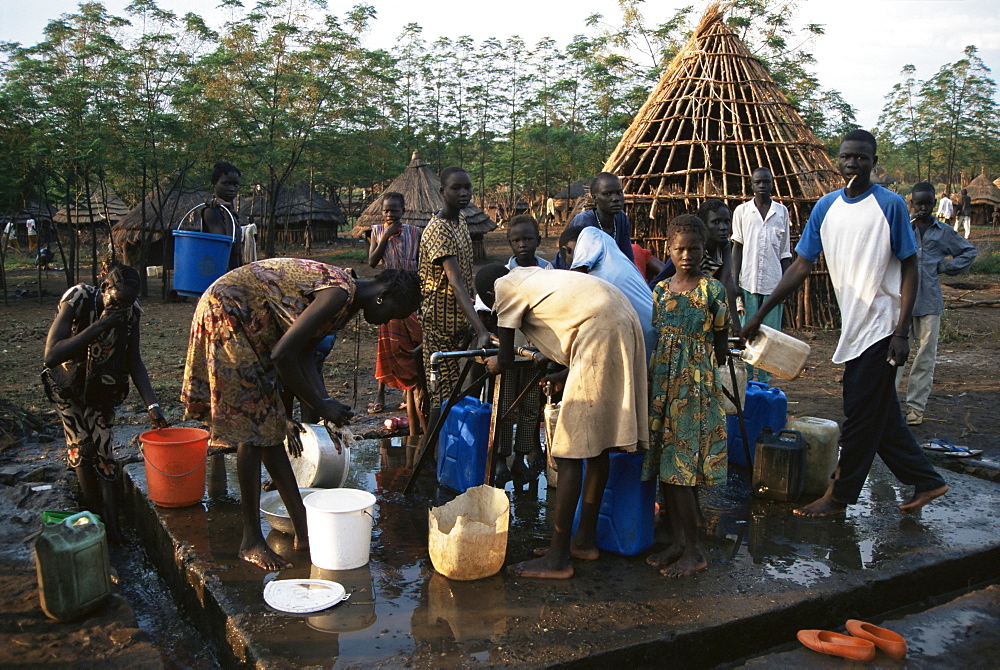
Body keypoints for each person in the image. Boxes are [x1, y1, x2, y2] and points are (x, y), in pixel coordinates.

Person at [741, 129, 949, 517]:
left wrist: (902, 331)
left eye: (861, 157)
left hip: (883, 327)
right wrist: (758, 313)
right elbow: (801, 265)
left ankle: (839, 496)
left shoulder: (889, 206)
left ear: (873, 162)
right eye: (846, 157)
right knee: (879, 415)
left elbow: (909, 266)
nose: (852, 163)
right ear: (838, 160)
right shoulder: (825, 208)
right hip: (854, 328)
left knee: (857, 413)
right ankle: (927, 480)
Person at [181, 258, 421, 570]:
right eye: (394, 315)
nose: (389, 321)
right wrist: (321, 406)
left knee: (268, 428)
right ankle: (251, 540)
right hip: (230, 312)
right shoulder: (338, 293)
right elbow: (283, 355)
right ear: (384, 297)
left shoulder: (345, 303)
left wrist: (324, 403)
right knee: (253, 432)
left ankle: (304, 531)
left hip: (247, 323)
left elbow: (305, 352)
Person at [479, 264, 648, 579]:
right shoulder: (533, 276)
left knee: (569, 453)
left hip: (600, 328)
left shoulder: (503, 286)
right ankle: (582, 541)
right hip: (619, 316)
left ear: (490, 294)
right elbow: (563, 324)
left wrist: (493, 363)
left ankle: (557, 560)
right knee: (596, 449)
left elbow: (503, 359)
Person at [42, 259, 168, 540]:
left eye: (129, 302)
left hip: (103, 388)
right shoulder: (78, 298)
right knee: (82, 448)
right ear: (104, 288)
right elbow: (51, 355)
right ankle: (93, 518)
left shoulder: (130, 312)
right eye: (118, 299)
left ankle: (114, 527)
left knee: (104, 451)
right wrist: (100, 326)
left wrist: (153, 405)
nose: (122, 307)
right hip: (69, 386)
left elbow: (134, 360)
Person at [644, 215, 729, 578]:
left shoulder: (712, 291)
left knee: (683, 471)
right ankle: (678, 543)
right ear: (668, 249)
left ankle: (695, 551)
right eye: (679, 248)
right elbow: (657, 337)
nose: (686, 255)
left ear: (703, 250)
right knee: (667, 468)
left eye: (694, 249)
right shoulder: (660, 292)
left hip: (694, 391)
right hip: (663, 387)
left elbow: (722, 346)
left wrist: (698, 375)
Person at [417, 167, 492, 430]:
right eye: (456, 188)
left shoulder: (460, 222)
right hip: (439, 323)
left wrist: (472, 322)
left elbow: (467, 276)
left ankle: (453, 450)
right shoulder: (439, 230)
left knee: (459, 391)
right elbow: (456, 282)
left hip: (459, 320)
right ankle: (429, 458)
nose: (463, 193)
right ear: (442, 192)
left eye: (467, 187)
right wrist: (480, 329)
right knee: (442, 397)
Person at [896, 183, 977, 425]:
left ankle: (915, 409)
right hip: (900, 304)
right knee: (894, 356)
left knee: (925, 357)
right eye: (918, 203)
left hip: (929, 302)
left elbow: (968, 252)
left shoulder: (942, 232)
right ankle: (886, 406)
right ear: (911, 203)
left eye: (927, 203)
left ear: (934, 204)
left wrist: (943, 267)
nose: (922, 208)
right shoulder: (902, 230)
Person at [367, 192, 424, 438]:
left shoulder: (415, 232)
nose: (391, 214)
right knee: (386, 345)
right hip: (388, 292)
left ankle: (408, 392)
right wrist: (385, 238)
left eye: (395, 210)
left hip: (409, 291)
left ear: (403, 209)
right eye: (387, 211)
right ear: (382, 212)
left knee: (411, 341)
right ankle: (380, 393)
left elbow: (422, 261)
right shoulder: (377, 231)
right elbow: (371, 262)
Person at [731, 167, 792, 382]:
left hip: (773, 284)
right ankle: (746, 381)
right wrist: (735, 279)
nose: (762, 186)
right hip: (747, 282)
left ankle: (764, 382)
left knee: (770, 337)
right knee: (748, 334)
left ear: (772, 183)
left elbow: (785, 252)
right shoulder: (742, 211)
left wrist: (786, 284)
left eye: (766, 182)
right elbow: (737, 247)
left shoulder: (781, 212)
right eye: (758, 182)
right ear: (752, 185)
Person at [560, 225, 655, 359]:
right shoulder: (605, 263)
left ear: (567, 251)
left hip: (646, 331)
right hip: (642, 337)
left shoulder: (591, 234)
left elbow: (573, 284)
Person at [557, 172, 634, 267]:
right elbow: (575, 264)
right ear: (594, 198)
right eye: (607, 194)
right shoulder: (584, 222)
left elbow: (627, 258)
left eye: (619, 193)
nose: (615, 198)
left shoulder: (621, 218)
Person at [200, 161, 244, 270]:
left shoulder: (230, 213)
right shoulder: (211, 212)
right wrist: (228, 212)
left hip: (232, 272)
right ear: (214, 184)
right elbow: (229, 247)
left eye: (235, 184)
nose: (232, 188)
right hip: (220, 273)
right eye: (226, 183)